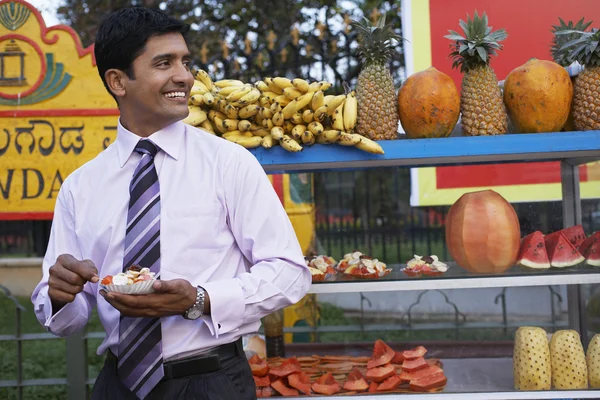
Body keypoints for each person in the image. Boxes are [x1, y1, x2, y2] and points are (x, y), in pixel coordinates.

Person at [30, 6, 311, 400]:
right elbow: (67, 322)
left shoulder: (229, 163)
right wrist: (61, 294)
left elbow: (289, 273)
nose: (184, 76)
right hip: (118, 386)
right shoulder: (81, 187)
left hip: (211, 382)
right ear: (117, 81)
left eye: (185, 61)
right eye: (164, 63)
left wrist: (200, 299)